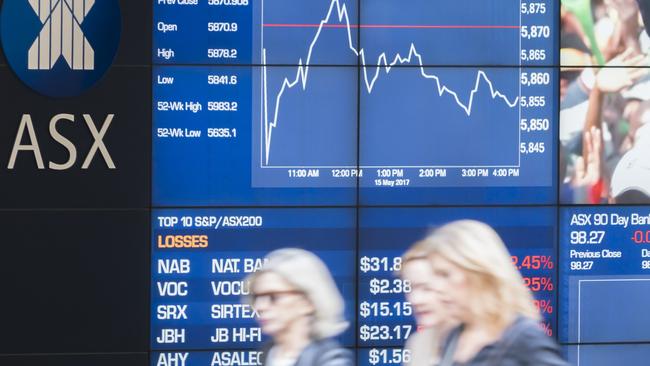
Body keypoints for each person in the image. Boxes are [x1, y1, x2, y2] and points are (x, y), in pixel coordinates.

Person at [422, 220, 568, 366]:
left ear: (478, 271)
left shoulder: (522, 338)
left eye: (445, 274)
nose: (436, 287)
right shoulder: (454, 337)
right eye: (435, 276)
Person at [245, 248, 353, 366]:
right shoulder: (265, 355)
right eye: (256, 297)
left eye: (273, 297)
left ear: (308, 302)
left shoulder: (332, 360)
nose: (259, 306)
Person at [400, 242, 457, 366]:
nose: (414, 300)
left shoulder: (484, 341)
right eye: (409, 289)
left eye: (426, 288)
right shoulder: (417, 344)